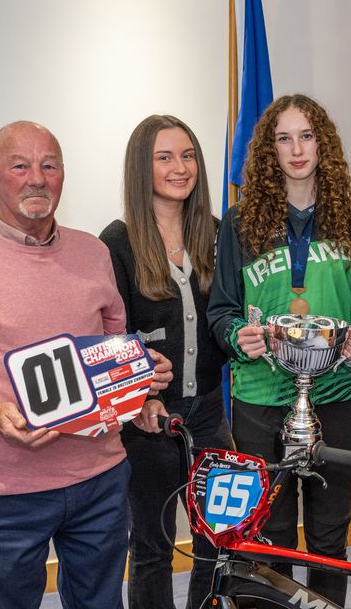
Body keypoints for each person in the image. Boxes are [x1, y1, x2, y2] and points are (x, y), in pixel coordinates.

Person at [0, 120, 171, 608]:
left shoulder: (94, 252)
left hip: (101, 480)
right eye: (19, 165)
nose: (37, 178)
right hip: (6, 494)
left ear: (63, 174)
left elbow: (112, 343)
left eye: (49, 165)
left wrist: (140, 377)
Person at [207, 94, 351, 606]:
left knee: (328, 536)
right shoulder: (238, 225)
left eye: (307, 136)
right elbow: (221, 312)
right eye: (284, 138)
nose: (296, 149)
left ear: (323, 144)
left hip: (335, 395)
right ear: (268, 151)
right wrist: (240, 337)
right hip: (259, 395)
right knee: (268, 534)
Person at [100, 115, 231, 608]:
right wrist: (140, 391)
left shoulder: (217, 235)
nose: (180, 167)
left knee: (214, 542)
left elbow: (230, 317)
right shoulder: (115, 243)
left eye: (188, 155)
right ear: (142, 167)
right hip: (149, 420)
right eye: (165, 157)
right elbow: (107, 334)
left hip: (212, 413)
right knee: (152, 547)